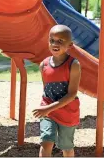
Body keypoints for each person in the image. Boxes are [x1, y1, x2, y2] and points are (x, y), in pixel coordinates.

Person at [32, 24, 81, 157]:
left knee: (66, 147)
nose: (55, 43)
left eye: (60, 41)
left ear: (70, 45)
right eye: (52, 40)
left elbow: (72, 94)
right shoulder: (44, 65)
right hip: (48, 110)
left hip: (68, 111)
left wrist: (48, 108)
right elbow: (46, 91)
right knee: (46, 141)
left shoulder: (74, 65)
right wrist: (46, 109)